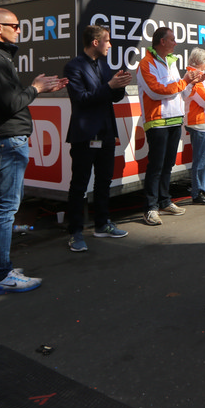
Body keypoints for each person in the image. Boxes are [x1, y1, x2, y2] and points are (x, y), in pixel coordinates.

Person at [0, 7, 67, 295]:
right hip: (6, 139)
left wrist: (38, 89)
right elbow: (11, 103)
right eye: (15, 25)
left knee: (5, 205)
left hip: (5, 138)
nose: (20, 30)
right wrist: (35, 88)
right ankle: (0, 273)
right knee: (6, 208)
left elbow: (8, 99)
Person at [63, 25, 132, 253]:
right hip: (85, 134)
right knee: (80, 184)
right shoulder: (74, 66)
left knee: (104, 181)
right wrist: (109, 86)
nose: (110, 45)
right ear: (95, 42)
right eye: (107, 40)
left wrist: (119, 86)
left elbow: (112, 97)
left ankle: (103, 224)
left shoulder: (103, 65)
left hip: (106, 132)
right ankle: (75, 232)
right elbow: (81, 99)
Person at [137, 26, 203, 226]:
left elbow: (179, 92)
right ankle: (150, 208)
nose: (175, 43)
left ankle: (165, 201)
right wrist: (184, 81)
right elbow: (156, 91)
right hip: (157, 121)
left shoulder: (171, 62)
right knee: (156, 166)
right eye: (172, 39)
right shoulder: (146, 63)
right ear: (162, 41)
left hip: (175, 119)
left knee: (168, 165)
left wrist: (192, 82)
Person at [182, 47, 205, 206]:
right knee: (201, 161)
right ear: (201, 62)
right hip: (199, 123)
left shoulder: (196, 75)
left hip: (200, 123)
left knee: (202, 160)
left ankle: (201, 191)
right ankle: (199, 193)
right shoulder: (195, 76)